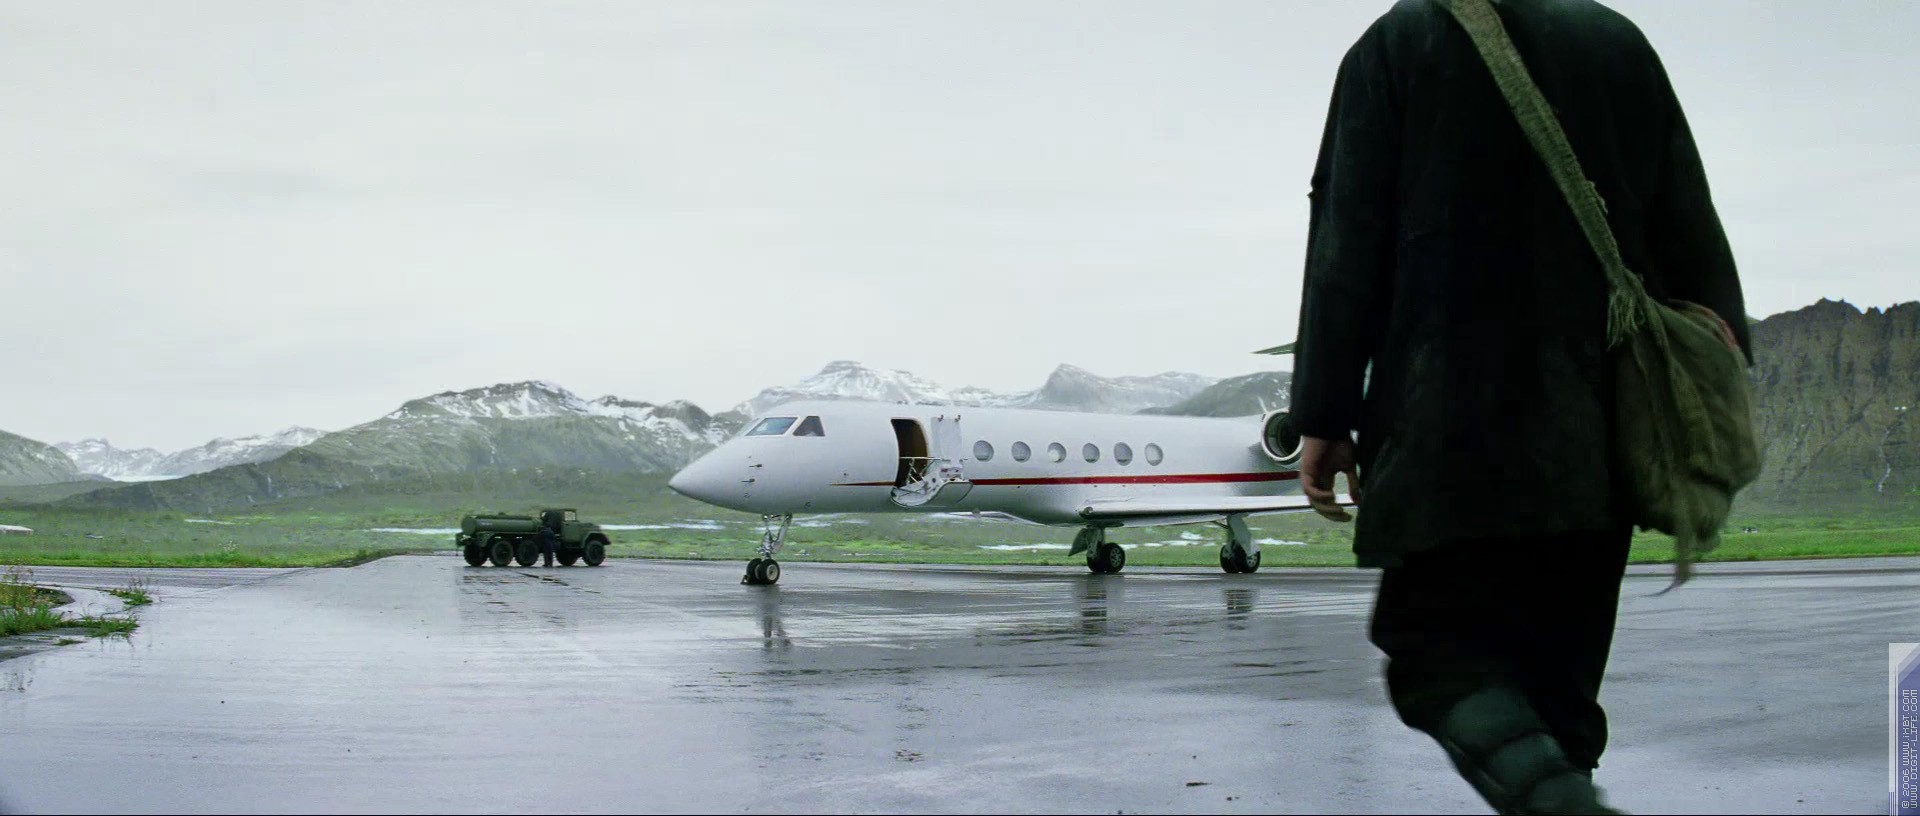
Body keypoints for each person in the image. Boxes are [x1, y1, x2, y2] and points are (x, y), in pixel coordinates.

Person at [1289, 1, 1750, 813]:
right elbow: (1692, 227)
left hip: (1449, 428)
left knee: (1434, 654)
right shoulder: (1617, 42)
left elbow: (1346, 241)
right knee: (1559, 693)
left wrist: (1323, 413)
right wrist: (1711, 385)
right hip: (1601, 430)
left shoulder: (1397, 45)